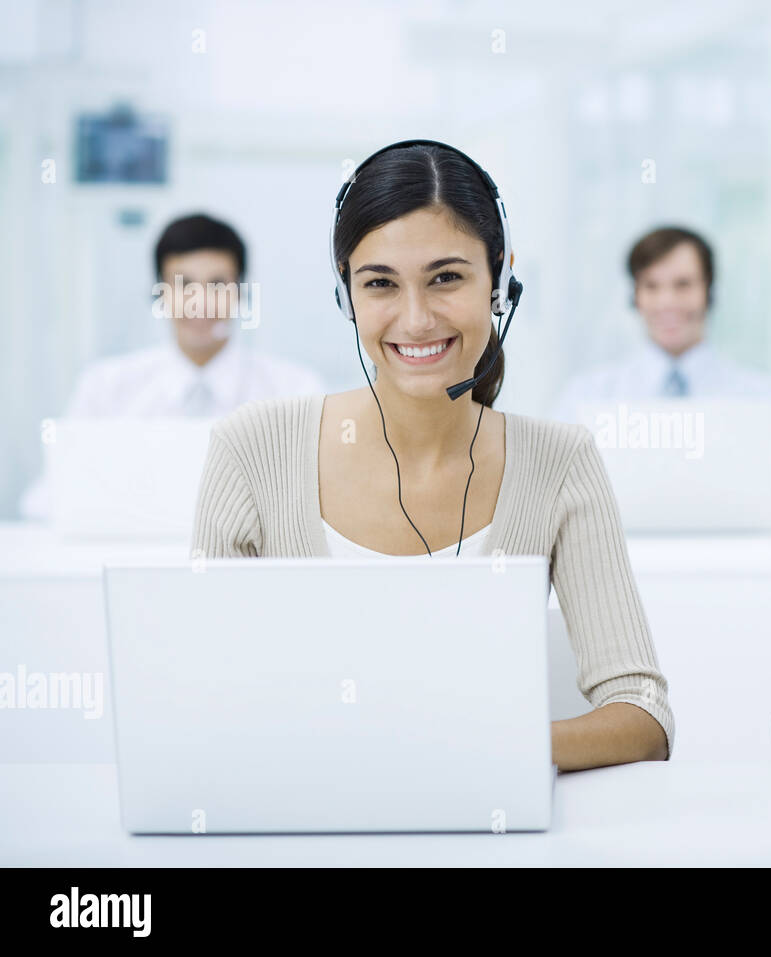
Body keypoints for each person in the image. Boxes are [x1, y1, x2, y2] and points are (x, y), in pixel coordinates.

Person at [190, 140, 673, 772]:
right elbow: (200, 698)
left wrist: (475, 749)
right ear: (346, 295)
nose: (416, 319)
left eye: (446, 278)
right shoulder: (253, 450)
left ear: (499, 282)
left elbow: (643, 713)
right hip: (304, 814)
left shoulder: (559, 462)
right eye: (380, 284)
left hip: (490, 818)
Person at [18, 213, 324, 519]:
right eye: (184, 284)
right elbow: (46, 499)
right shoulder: (106, 387)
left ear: (241, 292)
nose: (200, 302)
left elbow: (319, 501)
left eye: (217, 285)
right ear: (160, 293)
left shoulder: (294, 391)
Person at [551, 226, 771, 517]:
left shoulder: (763, 397)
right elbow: (550, 486)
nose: (667, 302)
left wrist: (711, 509)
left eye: (683, 285)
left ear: (709, 292)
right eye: (651, 286)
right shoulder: (586, 396)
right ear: (636, 297)